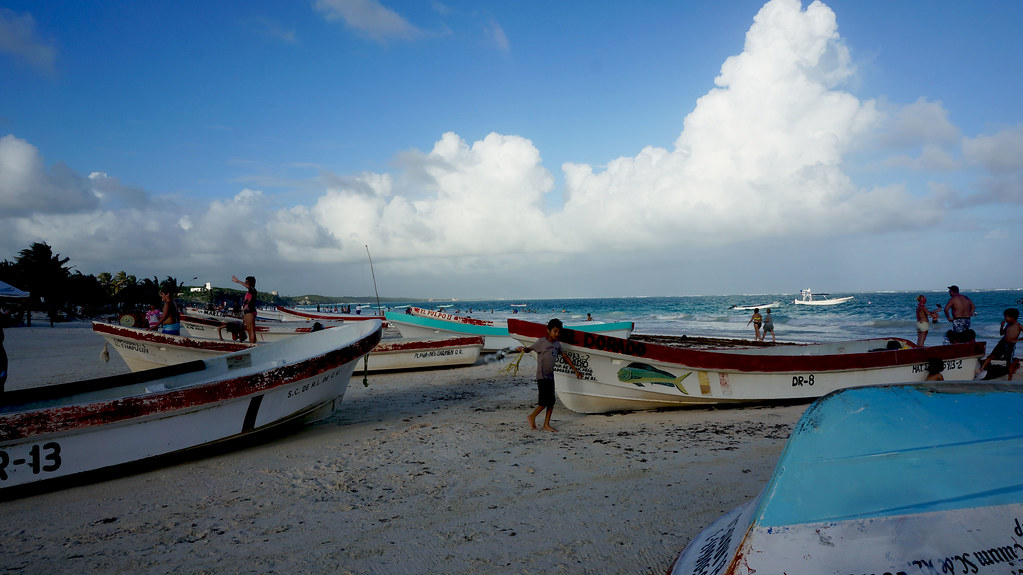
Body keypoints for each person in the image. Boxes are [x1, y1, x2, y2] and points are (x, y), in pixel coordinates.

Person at [515, 318, 582, 432]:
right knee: (543, 402)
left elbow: (565, 357)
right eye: (555, 331)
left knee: (551, 402)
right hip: (542, 376)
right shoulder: (541, 342)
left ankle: (546, 424)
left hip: (550, 377)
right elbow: (529, 349)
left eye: (559, 332)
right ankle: (532, 416)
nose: (557, 334)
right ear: (548, 330)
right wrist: (522, 349)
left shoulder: (557, 344)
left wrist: (575, 370)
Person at [978, 308, 1020, 380]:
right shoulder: (1008, 325)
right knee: (991, 356)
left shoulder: (1019, 326)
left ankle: (1010, 378)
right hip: (1002, 343)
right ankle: (981, 369)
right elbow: (1001, 333)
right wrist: (1002, 326)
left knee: (1008, 361)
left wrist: (1018, 340)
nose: (1005, 319)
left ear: (1013, 317)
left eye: (1007, 317)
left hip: (1010, 345)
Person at [232, 275, 258, 344]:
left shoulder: (253, 290)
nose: (245, 283)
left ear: (251, 283)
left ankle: (252, 345)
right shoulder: (250, 291)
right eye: (245, 282)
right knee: (249, 330)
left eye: (247, 282)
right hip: (247, 312)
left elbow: (248, 287)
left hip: (250, 311)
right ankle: (251, 343)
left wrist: (238, 281)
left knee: (251, 330)